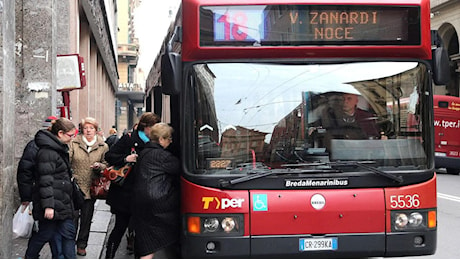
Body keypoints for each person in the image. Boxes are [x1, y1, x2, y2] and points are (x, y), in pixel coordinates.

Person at [104, 112, 160, 258]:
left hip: (144, 195)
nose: (154, 130)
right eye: (152, 127)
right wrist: (125, 158)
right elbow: (109, 156)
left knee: (141, 232)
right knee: (119, 228)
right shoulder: (129, 139)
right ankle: (109, 256)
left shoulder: (157, 142)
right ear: (145, 127)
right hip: (125, 194)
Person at [25, 118, 77, 259]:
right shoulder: (48, 152)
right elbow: (45, 180)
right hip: (53, 203)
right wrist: (49, 206)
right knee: (45, 234)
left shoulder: (57, 149)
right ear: (60, 133)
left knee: (68, 234)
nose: (72, 139)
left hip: (62, 202)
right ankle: (29, 257)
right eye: (70, 135)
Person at [131, 123, 181, 259]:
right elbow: (179, 169)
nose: (170, 142)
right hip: (160, 205)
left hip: (141, 203)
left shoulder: (144, 152)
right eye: (168, 139)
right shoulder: (164, 157)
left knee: (147, 245)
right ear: (161, 139)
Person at [17, 116, 61, 258]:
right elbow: (25, 172)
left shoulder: (53, 145)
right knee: (45, 230)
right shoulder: (35, 145)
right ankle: (32, 255)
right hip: (40, 195)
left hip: (51, 195)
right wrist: (26, 197)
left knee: (51, 230)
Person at [69, 117, 109, 256]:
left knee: (86, 218)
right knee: (72, 217)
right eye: (85, 128)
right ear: (82, 129)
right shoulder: (73, 143)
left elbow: (106, 164)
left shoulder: (102, 145)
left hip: (91, 187)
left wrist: (100, 166)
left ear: (96, 130)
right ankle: (69, 242)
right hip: (75, 186)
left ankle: (82, 244)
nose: (88, 131)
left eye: (91, 128)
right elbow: (67, 160)